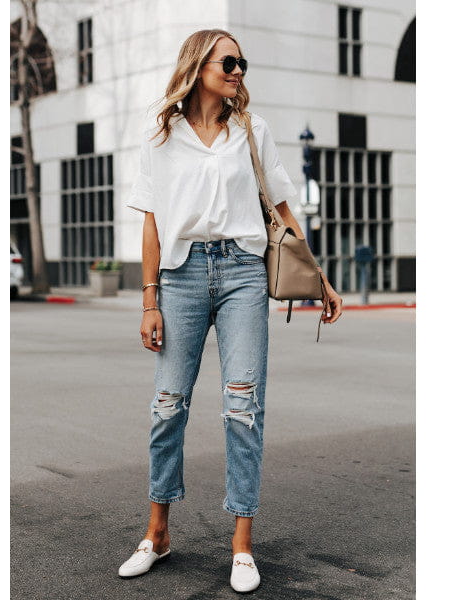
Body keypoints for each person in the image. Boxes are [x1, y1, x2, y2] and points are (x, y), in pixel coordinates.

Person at [119, 29, 343, 593]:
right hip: (182, 276)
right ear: (199, 65)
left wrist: (321, 278)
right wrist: (149, 299)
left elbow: (284, 208)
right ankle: (157, 533)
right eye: (229, 61)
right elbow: (150, 221)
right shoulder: (162, 135)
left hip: (243, 272)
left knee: (243, 405)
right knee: (167, 406)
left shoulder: (253, 130)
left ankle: (242, 544)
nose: (239, 70)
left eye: (242, 62)